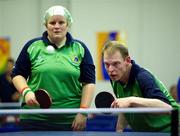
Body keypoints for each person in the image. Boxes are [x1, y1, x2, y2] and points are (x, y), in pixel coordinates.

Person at [11, 5, 95, 131]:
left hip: (70, 120)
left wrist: (83, 112)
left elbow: (89, 82)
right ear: (46, 25)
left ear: (68, 25)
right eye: (52, 22)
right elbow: (17, 74)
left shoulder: (80, 48)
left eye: (61, 22)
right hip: (34, 118)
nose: (57, 26)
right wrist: (26, 91)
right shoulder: (32, 46)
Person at [102, 40, 179, 132]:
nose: (110, 69)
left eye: (116, 64)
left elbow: (167, 108)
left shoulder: (142, 77)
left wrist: (131, 100)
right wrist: (119, 129)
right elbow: (125, 104)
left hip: (172, 129)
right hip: (146, 132)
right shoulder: (116, 78)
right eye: (106, 64)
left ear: (127, 60)